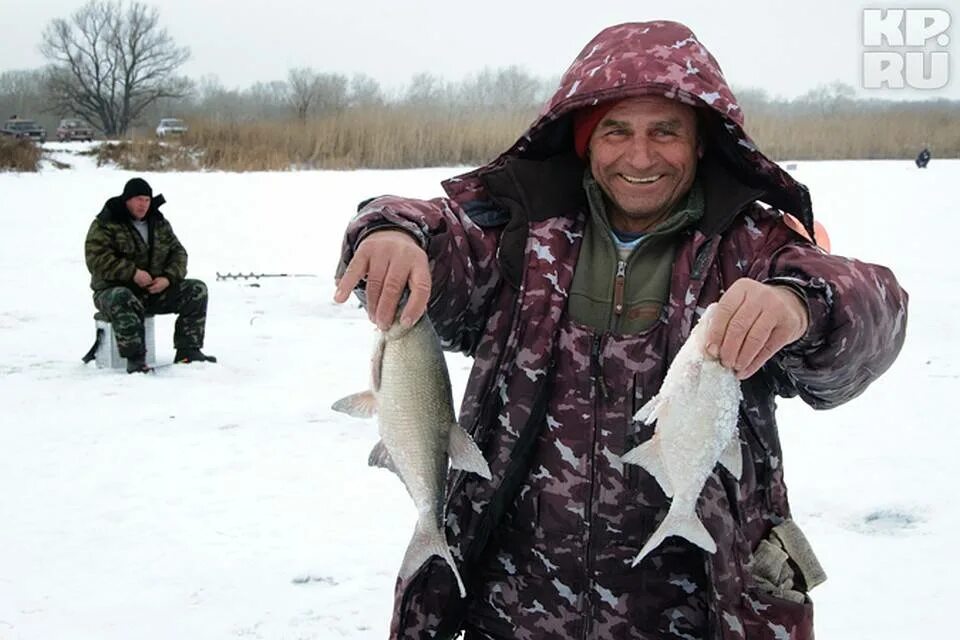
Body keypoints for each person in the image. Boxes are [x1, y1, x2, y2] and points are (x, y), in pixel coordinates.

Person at [334, 21, 907, 640]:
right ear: (585, 141)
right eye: (616, 131)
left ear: (702, 143)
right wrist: (391, 231)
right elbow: (433, 227)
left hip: (702, 614)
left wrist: (801, 306)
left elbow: (875, 310)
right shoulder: (519, 236)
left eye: (665, 131)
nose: (640, 157)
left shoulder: (754, 245)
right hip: (512, 611)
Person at [85, 177, 216, 373]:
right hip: (112, 293)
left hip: (153, 291)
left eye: (147, 200)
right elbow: (96, 259)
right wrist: (132, 273)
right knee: (123, 296)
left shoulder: (159, 223)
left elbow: (179, 253)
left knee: (196, 289)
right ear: (127, 200)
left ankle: (188, 350)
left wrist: (168, 279)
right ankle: (136, 359)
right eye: (138, 199)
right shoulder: (106, 223)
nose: (143, 205)